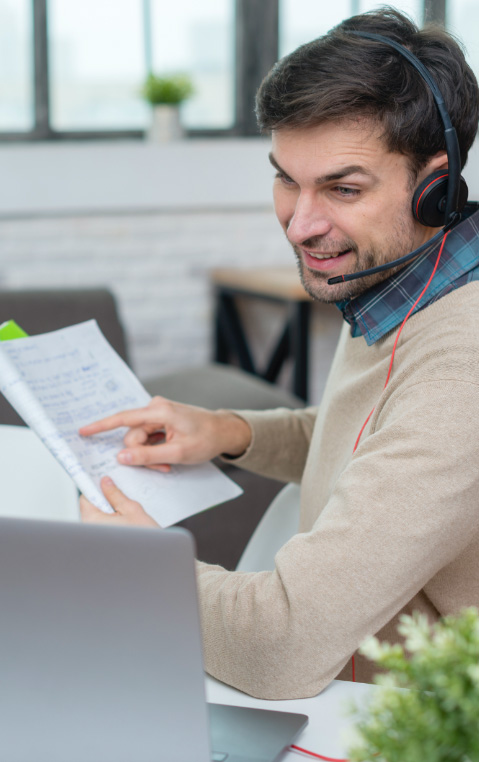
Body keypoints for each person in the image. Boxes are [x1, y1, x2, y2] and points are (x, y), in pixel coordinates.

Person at [79, 8, 479, 700]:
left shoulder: (459, 366)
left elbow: (278, 645)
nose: (299, 223)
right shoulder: (398, 286)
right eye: (285, 178)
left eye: (342, 188)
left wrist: (136, 562)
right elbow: (370, 440)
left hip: (406, 724)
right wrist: (227, 432)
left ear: (433, 186)